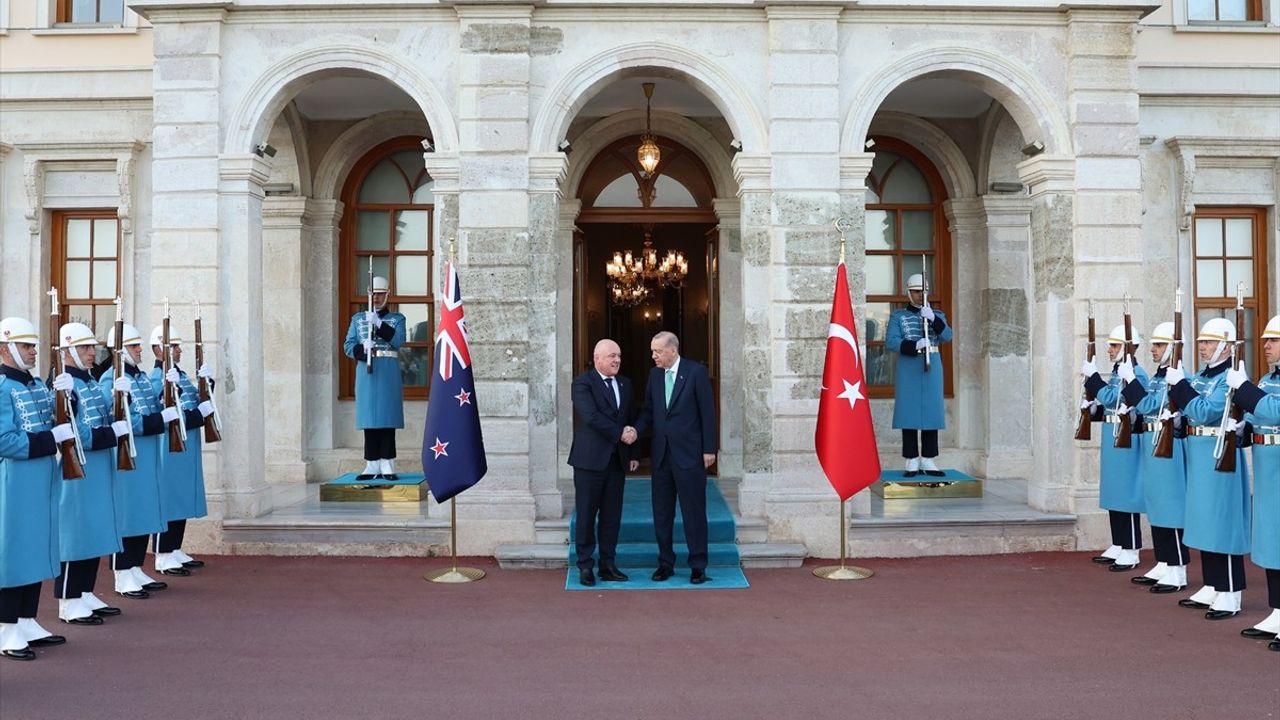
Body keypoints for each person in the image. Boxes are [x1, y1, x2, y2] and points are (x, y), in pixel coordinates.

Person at [1165, 317, 1250, 620]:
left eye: (1209, 341)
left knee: (1222, 521)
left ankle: (1230, 591)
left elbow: (1203, 411)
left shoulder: (1230, 378)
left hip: (1218, 453)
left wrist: (1181, 389)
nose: (1202, 347)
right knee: (1203, 519)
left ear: (1226, 346)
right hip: (1198, 453)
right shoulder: (1202, 376)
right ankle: (1214, 584)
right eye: (1201, 341)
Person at [0, 317, 71, 660]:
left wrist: (65, 398)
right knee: (14, 553)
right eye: (26, 346)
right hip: (15, 481)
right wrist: (48, 440)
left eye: (33, 347)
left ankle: (26, 619)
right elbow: (5, 441)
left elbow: (55, 422)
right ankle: (6, 626)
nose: (32, 352)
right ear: (6, 348)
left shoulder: (35, 385)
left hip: (40, 477)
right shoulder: (2, 387)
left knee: (35, 547)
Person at [51, 323, 127, 625]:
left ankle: (84, 591)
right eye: (85, 348)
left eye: (93, 347)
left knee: (94, 528)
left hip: (98, 466)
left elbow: (105, 413)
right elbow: (75, 431)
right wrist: (111, 435)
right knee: (76, 531)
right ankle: (68, 599)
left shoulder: (90, 381)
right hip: (79, 464)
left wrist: (123, 399)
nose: (92, 352)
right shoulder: (64, 384)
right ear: (68, 351)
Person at [631, 331, 716, 584]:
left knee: (694, 512)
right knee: (662, 513)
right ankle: (665, 563)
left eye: (657, 351)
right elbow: (648, 410)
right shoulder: (654, 375)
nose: (653, 356)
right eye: (652, 351)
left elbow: (707, 413)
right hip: (661, 457)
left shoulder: (695, 372)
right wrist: (635, 429)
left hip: (690, 454)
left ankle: (698, 565)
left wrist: (709, 449)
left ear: (673, 350)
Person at [101, 323, 175, 599]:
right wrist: (159, 420)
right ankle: (122, 572)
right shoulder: (111, 379)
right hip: (129, 455)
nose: (140, 350)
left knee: (143, 511)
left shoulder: (142, 378)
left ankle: (134, 565)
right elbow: (125, 419)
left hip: (147, 453)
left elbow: (153, 407)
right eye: (134, 346)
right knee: (128, 514)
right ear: (119, 350)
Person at [1121, 322, 1190, 592]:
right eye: (1153, 344)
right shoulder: (1160, 377)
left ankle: (1177, 568)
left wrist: (1131, 382)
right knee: (1157, 503)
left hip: (1169, 445)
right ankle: (1164, 561)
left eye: (1159, 345)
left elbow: (1150, 404)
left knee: (1171, 505)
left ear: (1173, 347)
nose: (1153, 349)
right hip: (1155, 442)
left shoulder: (1178, 376)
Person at [1225, 314, 1280, 650]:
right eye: (1265, 341)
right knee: (1273, 543)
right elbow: (1257, 418)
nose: (1267, 346)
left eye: (1273, 340)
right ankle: (1278, 610)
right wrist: (1242, 430)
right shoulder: (1268, 378)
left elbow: (1274, 412)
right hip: (1267, 469)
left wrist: (1243, 388)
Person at [567, 339, 638, 586]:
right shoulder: (582, 383)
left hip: (616, 461)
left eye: (618, 355)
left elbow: (630, 418)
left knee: (611, 516)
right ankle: (585, 565)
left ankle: (608, 565)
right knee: (586, 515)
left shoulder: (625, 384)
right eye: (611, 356)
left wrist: (634, 452)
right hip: (589, 462)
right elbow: (591, 416)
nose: (617, 360)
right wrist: (620, 433)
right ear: (597, 358)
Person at [148, 325, 215, 576]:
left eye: (177, 345)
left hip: (186, 443)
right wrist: (198, 414)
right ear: (158, 349)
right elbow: (167, 414)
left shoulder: (180, 374)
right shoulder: (156, 379)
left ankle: (174, 548)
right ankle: (162, 553)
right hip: (170, 446)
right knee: (169, 498)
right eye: (173, 346)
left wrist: (207, 384)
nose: (178, 350)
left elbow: (192, 402)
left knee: (183, 496)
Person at [1081, 324, 1148, 571]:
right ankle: (1119, 543)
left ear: (1129, 348)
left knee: (1127, 493)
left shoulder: (1137, 374)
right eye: (1110, 345)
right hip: (1113, 436)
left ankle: (1131, 547)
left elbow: (1113, 398)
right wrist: (1093, 410)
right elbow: (1108, 406)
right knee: (1114, 491)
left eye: (1115, 345)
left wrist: (1094, 378)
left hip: (1126, 439)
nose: (1110, 349)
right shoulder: (1118, 373)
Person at [885, 273, 953, 477]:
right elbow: (891, 341)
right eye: (915, 292)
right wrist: (913, 345)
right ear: (909, 292)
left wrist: (932, 319)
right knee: (910, 412)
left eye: (922, 291)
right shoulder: (899, 316)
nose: (919, 295)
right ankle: (912, 459)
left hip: (932, 365)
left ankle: (929, 459)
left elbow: (947, 336)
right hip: (909, 364)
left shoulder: (937, 314)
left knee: (931, 412)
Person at [342, 275, 406, 480]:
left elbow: (398, 341)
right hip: (366, 370)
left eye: (380, 294)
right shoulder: (358, 319)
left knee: (387, 418)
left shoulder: (397, 319)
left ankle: (387, 463)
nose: (377, 298)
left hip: (387, 370)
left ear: (387, 295)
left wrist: (379, 324)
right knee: (369, 418)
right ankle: (371, 464)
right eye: (374, 294)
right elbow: (348, 345)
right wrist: (362, 349)